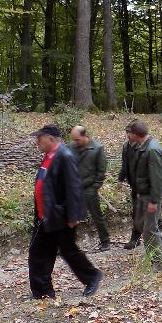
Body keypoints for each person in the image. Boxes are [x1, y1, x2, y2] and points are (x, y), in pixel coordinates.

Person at [28, 124, 102, 299]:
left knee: (68, 251)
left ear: (51, 139)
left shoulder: (64, 156)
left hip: (61, 215)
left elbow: (73, 187)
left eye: (40, 138)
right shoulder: (49, 156)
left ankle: (92, 277)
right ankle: (43, 292)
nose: (37, 141)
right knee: (39, 253)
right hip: (46, 216)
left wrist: (74, 216)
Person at [126, 120, 162, 270]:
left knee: (149, 230)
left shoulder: (152, 150)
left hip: (154, 195)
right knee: (139, 224)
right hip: (144, 194)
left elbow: (157, 178)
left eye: (129, 133)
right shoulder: (142, 147)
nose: (128, 136)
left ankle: (158, 264)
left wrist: (153, 201)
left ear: (135, 134)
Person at [70, 126, 111, 251]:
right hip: (74, 188)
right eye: (74, 140)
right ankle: (69, 244)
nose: (75, 142)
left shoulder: (97, 148)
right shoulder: (71, 147)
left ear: (85, 136)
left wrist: (95, 187)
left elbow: (101, 170)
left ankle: (105, 241)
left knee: (96, 216)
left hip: (89, 188)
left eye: (77, 139)